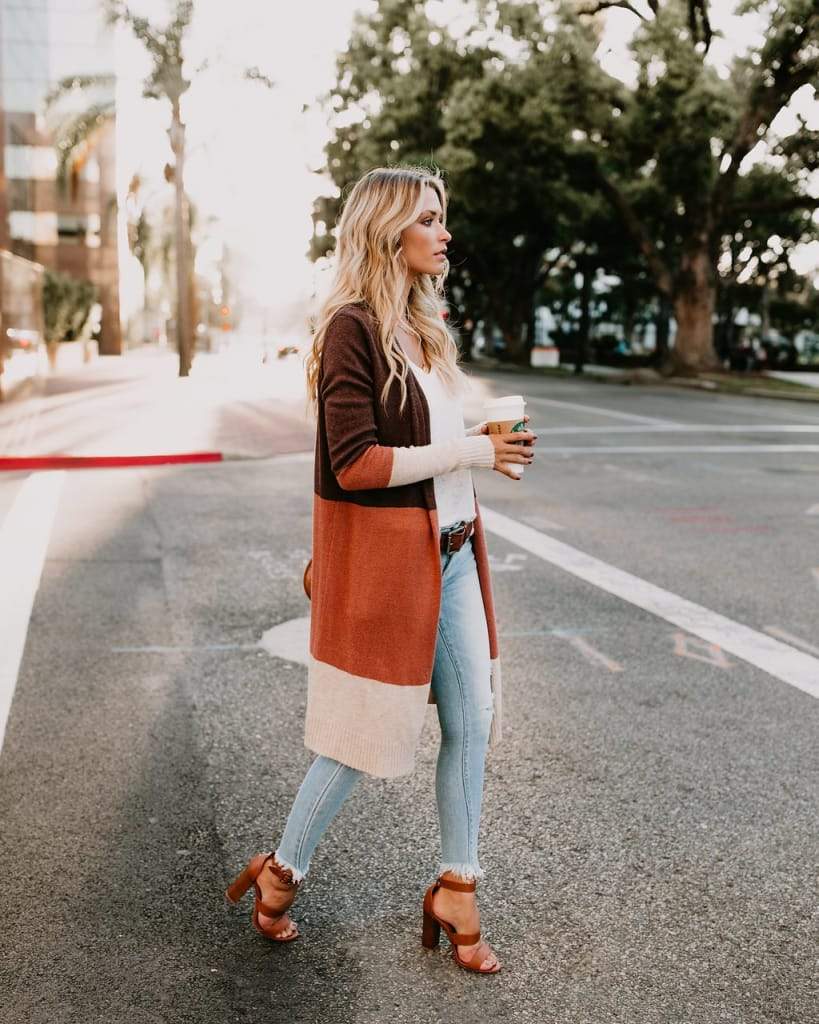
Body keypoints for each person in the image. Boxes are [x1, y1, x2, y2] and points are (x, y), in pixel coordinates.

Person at [226, 166, 537, 975]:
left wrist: (479, 438)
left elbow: (423, 437)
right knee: (364, 736)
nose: (444, 233)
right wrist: (475, 447)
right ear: (386, 230)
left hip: (457, 554)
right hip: (392, 566)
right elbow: (356, 462)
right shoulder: (350, 330)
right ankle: (282, 871)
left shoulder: (424, 329)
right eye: (429, 219)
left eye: (442, 218)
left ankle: (457, 887)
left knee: (472, 723)